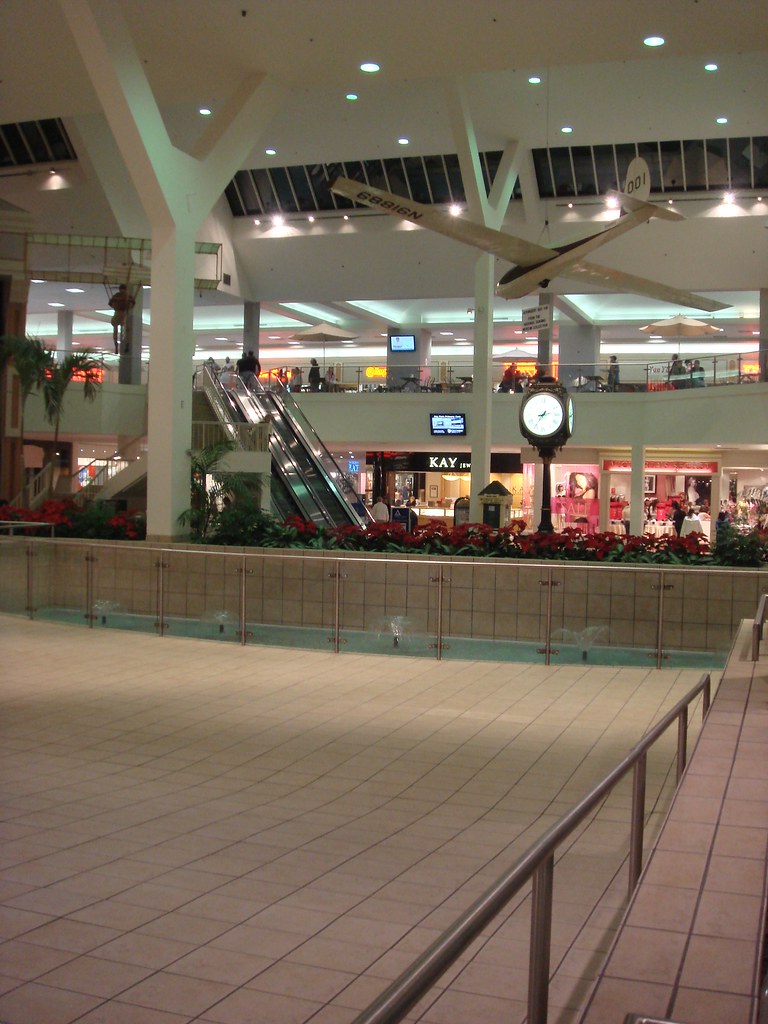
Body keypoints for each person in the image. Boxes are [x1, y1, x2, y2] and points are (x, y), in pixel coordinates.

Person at [108, 284, 135, 353]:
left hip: (121, 313)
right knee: (124, 330)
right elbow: (132, 304)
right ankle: (121, 345)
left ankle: (122, 345)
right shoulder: (125, 296)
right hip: (122, 313)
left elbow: (111, 303)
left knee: (122, 330)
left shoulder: (120, 296)